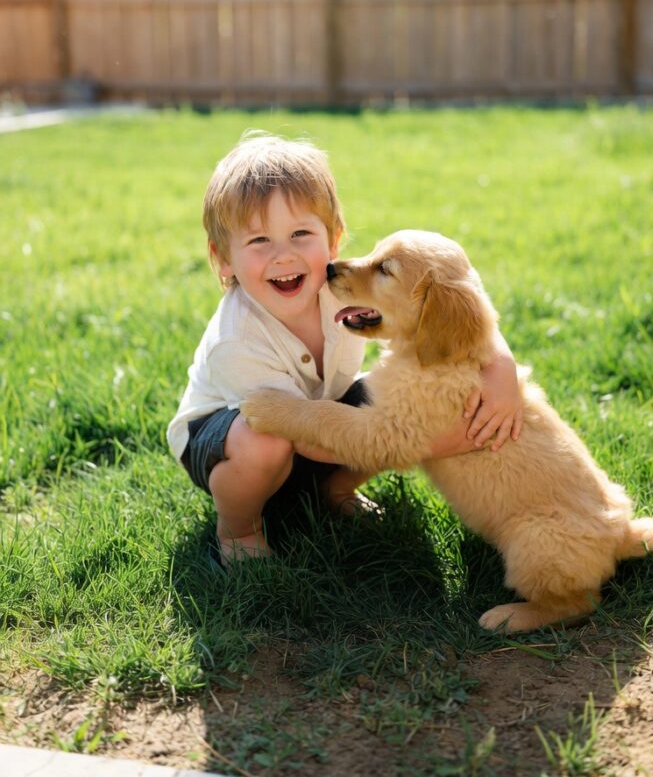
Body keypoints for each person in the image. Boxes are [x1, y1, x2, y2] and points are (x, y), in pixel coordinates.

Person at [167, 133, 523, 563]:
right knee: (267, 444)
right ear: (223, 258)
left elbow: (460, 301)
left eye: (301, 233)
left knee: (394, 396)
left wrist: (502, 370)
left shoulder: (343, 286)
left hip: (317, 415)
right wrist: (418, 442)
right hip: (234, 438)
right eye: (259, 241)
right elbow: (302, 436)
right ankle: (240, 530)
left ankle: (332, 492)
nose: (283, 255)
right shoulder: (236, 341)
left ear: (333, 239)